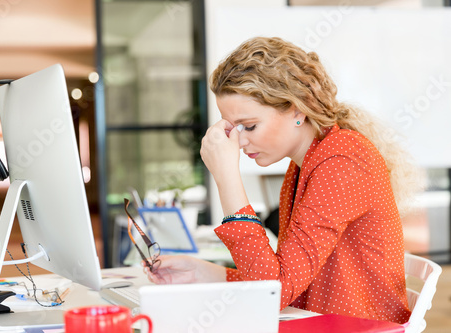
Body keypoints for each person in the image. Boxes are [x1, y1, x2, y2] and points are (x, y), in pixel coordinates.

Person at [144, 36, 422, 324]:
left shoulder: (343, 160)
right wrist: (202, 273)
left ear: (297, 109)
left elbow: (274, 291)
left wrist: (227, 177)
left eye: (249, 126)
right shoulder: (304, 165)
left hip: (358, 329)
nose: (239, 141)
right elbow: (282, 279)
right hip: (323, 322)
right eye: (234, 128)